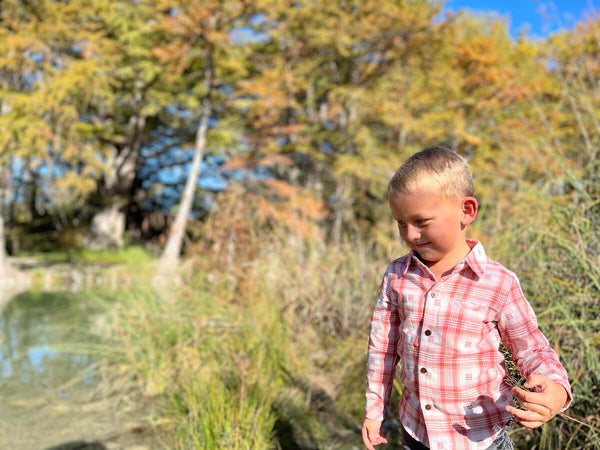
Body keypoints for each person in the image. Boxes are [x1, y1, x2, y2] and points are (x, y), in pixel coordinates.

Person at [361, 147, 571, 450]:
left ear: (466, 211)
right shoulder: (397, 276)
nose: (409, 234)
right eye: (400, 222)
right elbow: (382, 348)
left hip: (480, 439)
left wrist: (556, 390)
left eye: (421, 221)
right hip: (416, 433)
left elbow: (531, 348)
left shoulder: (497, 282)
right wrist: (374, 410)